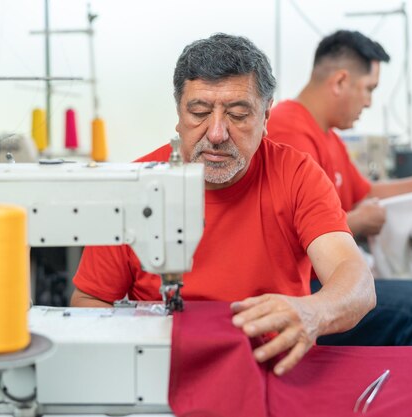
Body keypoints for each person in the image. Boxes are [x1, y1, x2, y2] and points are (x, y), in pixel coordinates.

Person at [71, 33, 376, 376]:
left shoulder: (297, 175)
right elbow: (90, 301)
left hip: (270, 368)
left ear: (265, 118)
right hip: (163, 368)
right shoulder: (136, 186)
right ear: (178, 114)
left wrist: (315, 312)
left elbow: (356, 281)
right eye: (199, 112)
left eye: (238, 114)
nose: (216, 133)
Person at [268, 30, 412, 346]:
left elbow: (368, 192)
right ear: (341, 81)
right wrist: (358, 222)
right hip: (305, 290)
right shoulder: (290, 134)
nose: (370, 102)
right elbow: (294, 236)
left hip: (323, 280)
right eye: (368, 89)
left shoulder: (327, 137)